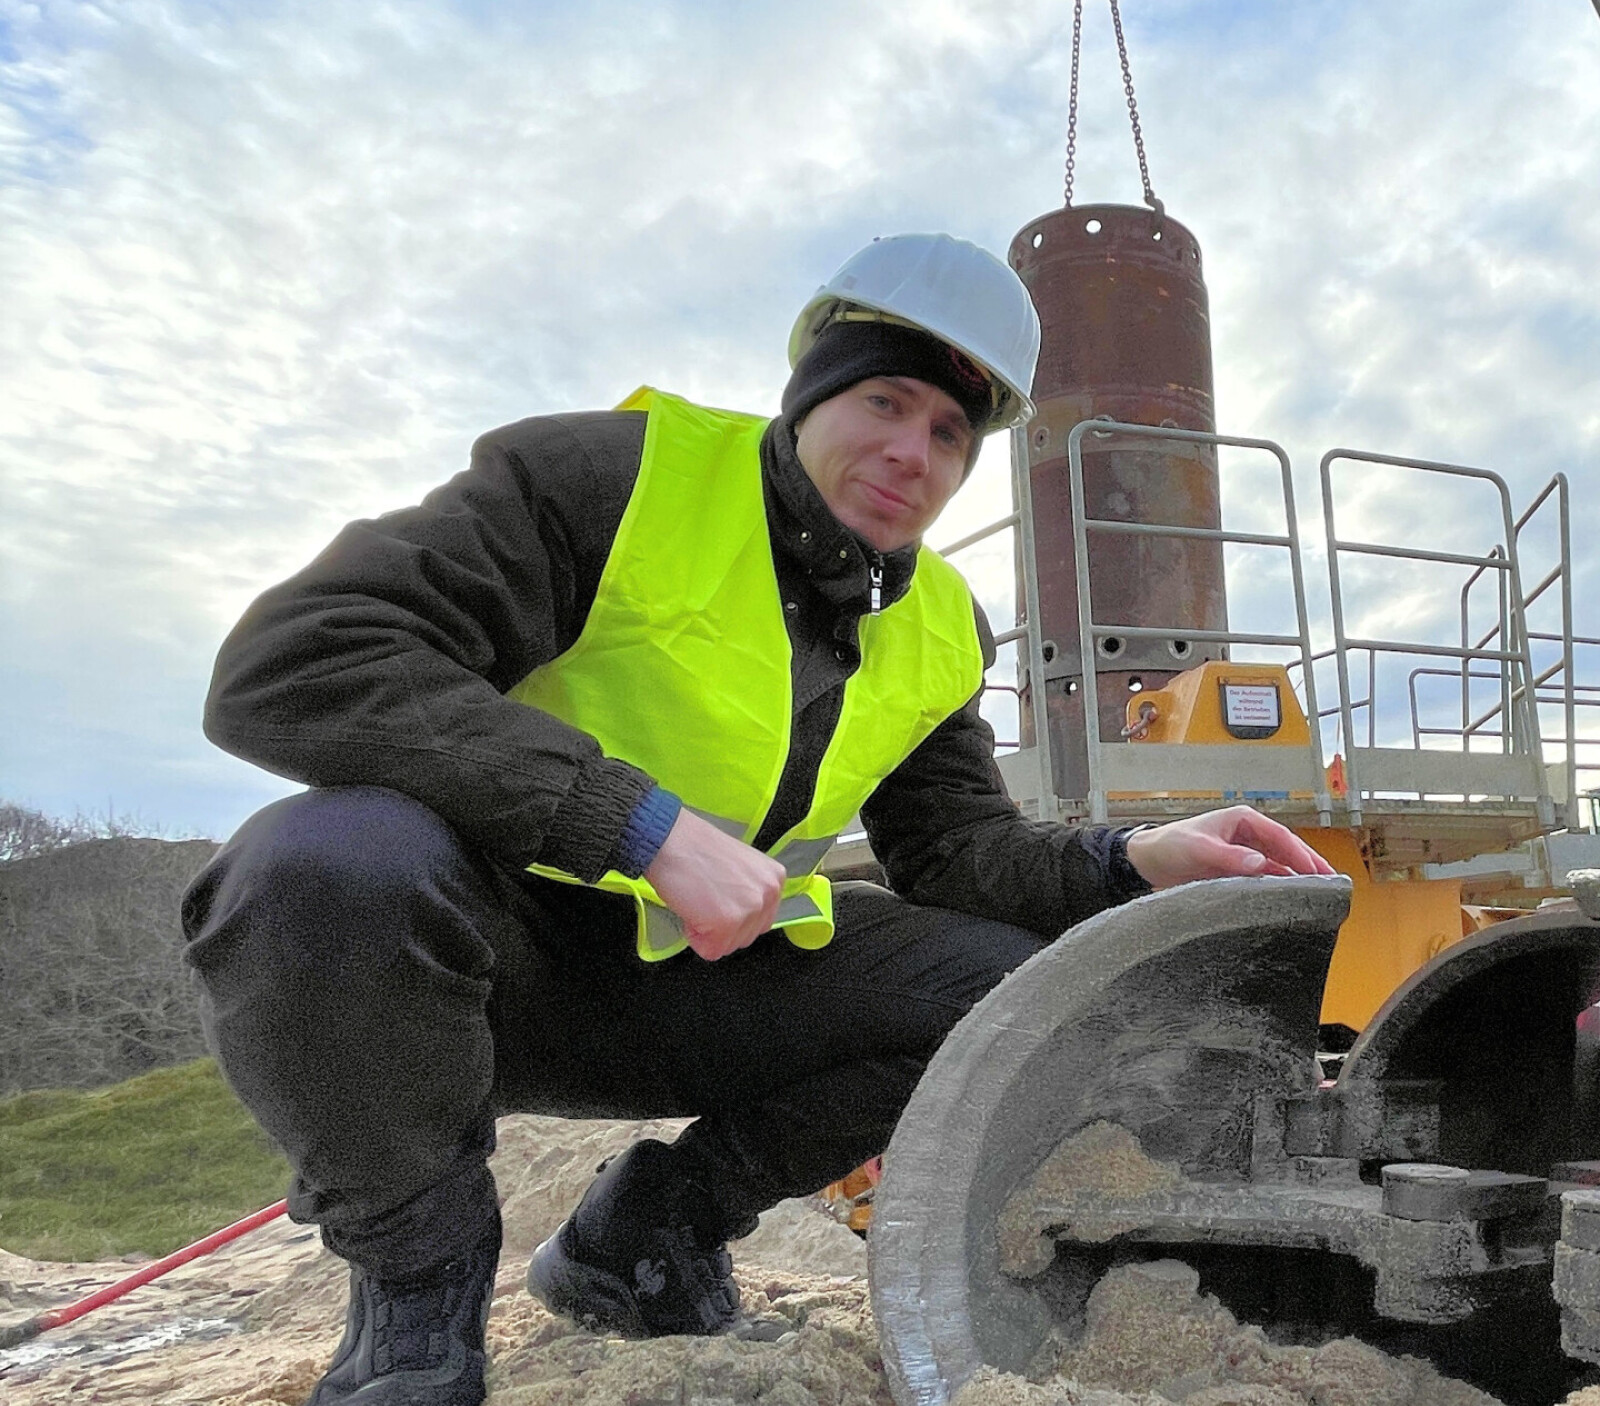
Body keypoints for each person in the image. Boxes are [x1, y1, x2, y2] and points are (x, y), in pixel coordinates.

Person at [182, 232, 1332, 1406]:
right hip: (470, 970)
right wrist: (638, 826)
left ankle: (650, 1230)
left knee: (1000, 982)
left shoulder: (938, 623)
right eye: (885, 400)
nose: (910, 453)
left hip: (686, 985)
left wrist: (1129, 857)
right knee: (318, 863)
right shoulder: (612, 480)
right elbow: (293, 658)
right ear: (811, 392)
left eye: (949, 433)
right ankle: (418, 1301)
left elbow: (953, 851)